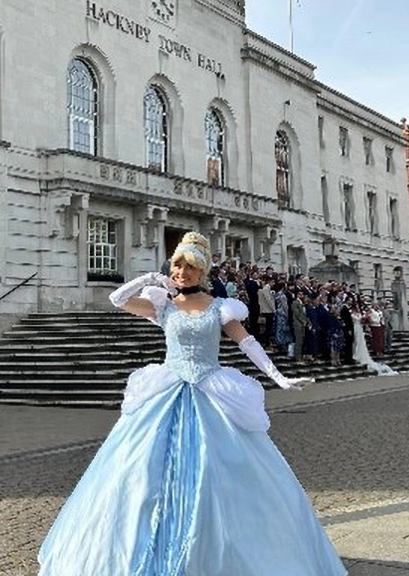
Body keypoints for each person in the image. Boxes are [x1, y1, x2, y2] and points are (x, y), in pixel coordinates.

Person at [37, 231, 346, 576]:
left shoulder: (219, 307)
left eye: (189, 267)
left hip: (209, 391)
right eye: (177, 265)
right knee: (139, 474)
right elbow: (117, 298)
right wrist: (151, 278)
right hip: (167, 391)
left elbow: (248, 344)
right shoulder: (163, 304)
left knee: (223, 474)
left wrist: (279, 378)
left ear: (203, 271)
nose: (182, 272)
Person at [351, 302, 397, 376]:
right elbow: (366, 318)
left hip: (367, 326)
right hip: (358, 327)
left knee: (376, 340)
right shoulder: (369, 311)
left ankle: (379, 351)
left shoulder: (377, 312)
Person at [291, 290, 308, 362]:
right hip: (297, 324)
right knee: (298, 341)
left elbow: (304, 314)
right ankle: (297, 356)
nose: (302, 296)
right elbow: (297, 313)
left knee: (301, 341)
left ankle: (300, 356)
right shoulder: (295, 303)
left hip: (302, 325)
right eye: (300, 294)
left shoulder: (302, 303)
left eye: (302, 294)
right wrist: (303, 321)